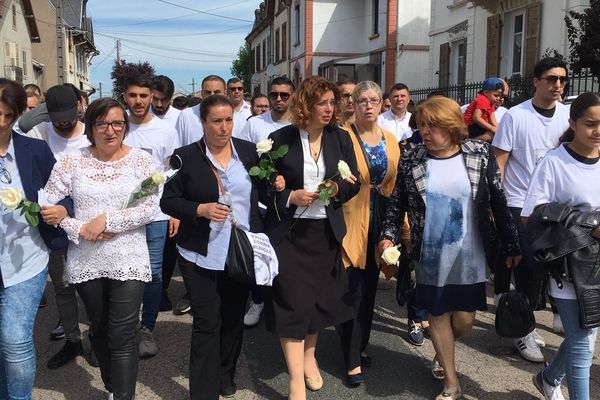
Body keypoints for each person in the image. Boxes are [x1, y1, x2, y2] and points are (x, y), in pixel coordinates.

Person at [379, 96, 521, 400]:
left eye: (433, 126)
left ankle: (443, 353)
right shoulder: (412, 156)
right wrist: (388, 234)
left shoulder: (479, 153)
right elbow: (397, 202)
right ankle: (452, 384)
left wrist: (511, 243)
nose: (426, 132)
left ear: (451, 126)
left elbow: (498, 200)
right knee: (439, 314)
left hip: (470, 255)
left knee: (465, 319)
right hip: (430, 254)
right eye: (422, 126)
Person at [160, 95, 279, 399]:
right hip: (200, 252)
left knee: (232, 318)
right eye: (216, 121)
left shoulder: (250, 153)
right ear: (203, 122)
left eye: (228, 120)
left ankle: (225, 375)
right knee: (206, 322)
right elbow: (168, 200)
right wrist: (200, 209)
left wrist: (276, 184)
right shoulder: (184, 157)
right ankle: (203, 391)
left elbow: (263, 191)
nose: (223, 127)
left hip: (240, 250)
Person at [43, 97, 158, 400]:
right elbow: (48, 204)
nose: (110, 130)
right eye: (102, 123)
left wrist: (107, 220)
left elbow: (149, 208)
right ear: (91, 127)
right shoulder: (73, 161)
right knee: (100, 328)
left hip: (128, 256)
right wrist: (78, 227)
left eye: (117, 123)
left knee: (123, 334)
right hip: (86, 259)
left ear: (125, 126)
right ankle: (111, 385)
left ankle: (122, 395)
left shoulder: (141, 160)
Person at [261, 76, 359, 400]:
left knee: (317, 301)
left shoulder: (340, 138)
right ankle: (295, 381)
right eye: (323, 103)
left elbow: (353, 181)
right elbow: (262, 184)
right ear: (306, 105)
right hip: (290, 235)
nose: (330, 108)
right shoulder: (280, 139)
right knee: (291, 303)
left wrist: (334, 189)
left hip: (324, 234)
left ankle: (309, 357)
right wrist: (289, 195)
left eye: (332, 102)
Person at [492, 57, 571, 362]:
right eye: (551, 78)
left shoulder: (567, 116)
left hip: (558, 207)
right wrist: (497, 209)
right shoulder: (515, 116)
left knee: (554, 268)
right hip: (520, 204)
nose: (558, 85)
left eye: (562, 79)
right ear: (536, 81)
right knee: (527, 270)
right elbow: (500, 162)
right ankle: (523, 333)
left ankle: (546, 315)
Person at [522, 92, 600, 400]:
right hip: (568, 267)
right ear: (573, 123)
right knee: (583, 345)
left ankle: (548, 377)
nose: (597, 131)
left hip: (597, 266)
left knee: (586, 332)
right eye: (590, 124)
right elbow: (533, 216)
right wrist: (589, 227)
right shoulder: (554, 162)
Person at [0, 78, 71, 400]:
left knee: (14, 339)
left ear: (15, 115)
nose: (0, 122)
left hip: (25, 261)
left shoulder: (35, 150)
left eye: (6, 115)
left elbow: (65, 194)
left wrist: (59, 208)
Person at [336, 81, 401, 386]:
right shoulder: (341, 137)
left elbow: (395, 185)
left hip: (380, 223)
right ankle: (350, 358)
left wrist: (402, 228)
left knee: (370, 291)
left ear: (381, 103)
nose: (369, 105)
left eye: (375, 100)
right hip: (351, 221)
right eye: (363, 100)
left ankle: (359, 346)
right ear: (355, 104)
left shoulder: (390, 139)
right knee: (353, 291)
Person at [27, 85, 92, 369]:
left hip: (91, 221)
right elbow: (20, 125)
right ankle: (72, 340)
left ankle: (97, 340)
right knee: (63, 287)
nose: (64, 123)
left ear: (80, 105)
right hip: (55, 224)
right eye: (57, 117)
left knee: (91, 285)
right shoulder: (38, 134)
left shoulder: (93, 133)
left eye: (69, 115)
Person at [122, 75, 177, 358]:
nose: (140, 101)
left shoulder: (165, 130)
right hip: (121, 214)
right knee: (125, 271)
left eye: (144, 95)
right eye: (133, 95)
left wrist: (173, 210)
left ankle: (147, 327)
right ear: (125, 96)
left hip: (155, 213)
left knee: (154, 272)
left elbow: (173, 171)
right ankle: (124, 325)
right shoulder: (117, 126)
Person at [238, 76, 294, 144]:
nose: (278, 99)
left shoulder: (301, 124)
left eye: (284, 95)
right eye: (274, 95)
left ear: (293, 97)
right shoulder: (253, 123)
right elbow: (242, 151)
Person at [175, 75, 226, 148]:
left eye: (216, 92)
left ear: (225, 93)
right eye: (208, 92)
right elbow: (177, 145)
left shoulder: (235, 117)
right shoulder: (186, 116)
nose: (212, 96)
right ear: (202, 93)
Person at [463, 77, 504, 142]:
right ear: (486, 92)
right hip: (470, 125)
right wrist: (491, 128)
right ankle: (470, 141)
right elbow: (476, 118)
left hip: (476, 125)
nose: (498, 98)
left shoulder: (491, 103)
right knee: (491, 135)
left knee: (496, 133)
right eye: (496, 95)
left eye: (500, 96)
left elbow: (493, 120)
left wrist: (501, 130)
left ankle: (472, 140)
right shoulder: (483, 100)